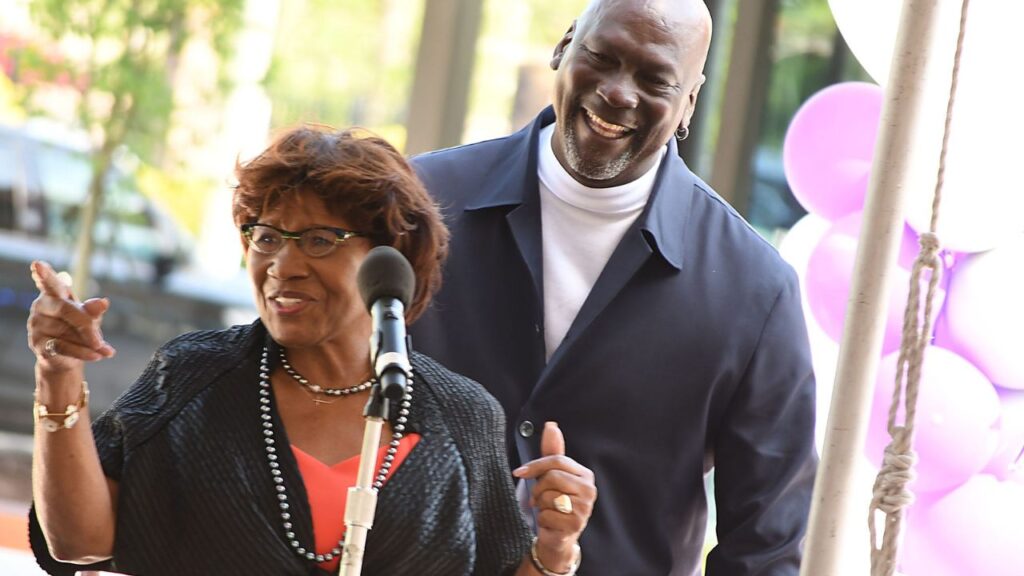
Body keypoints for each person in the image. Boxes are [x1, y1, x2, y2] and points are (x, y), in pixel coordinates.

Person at [25, 125, 596, 576]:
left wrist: (555, 549)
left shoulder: (462, 415)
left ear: (389, 259)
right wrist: (57, 372)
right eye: (266, 236)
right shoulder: (193, 377)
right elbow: (78, 544)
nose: (282, 265)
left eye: (320, 240)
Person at [409, 0, 817, 574]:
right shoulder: (418, 203)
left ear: (688, 104)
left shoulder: (758, 292)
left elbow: (766, 548)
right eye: (602, 57)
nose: (619, 92)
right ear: (564, 46)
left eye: (655, 79)